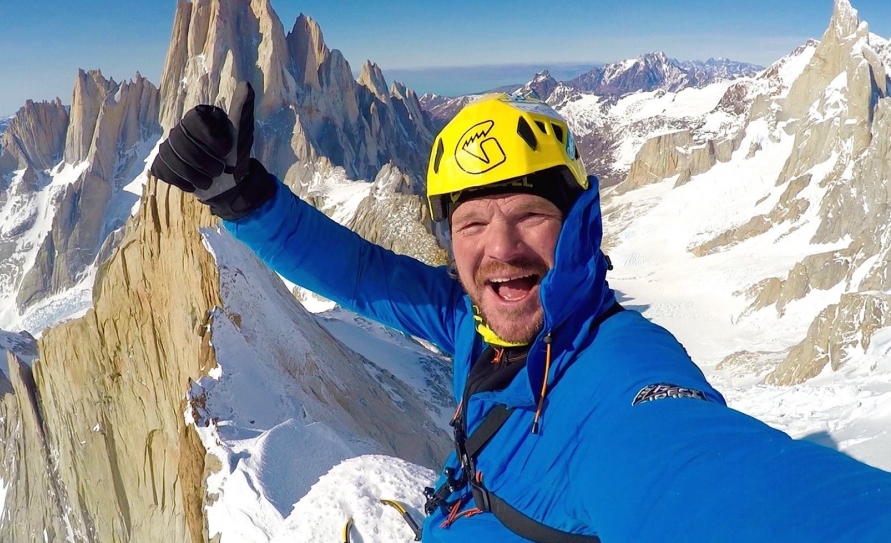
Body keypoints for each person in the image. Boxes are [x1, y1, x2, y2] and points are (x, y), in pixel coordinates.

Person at [152, 82, 891, 542]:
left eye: (529, 215)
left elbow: (710, 482)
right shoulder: (477, 323)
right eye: (472, 224)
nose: (499, 249)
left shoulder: (619, 372)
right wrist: (241, 196)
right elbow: (364, 274)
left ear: (577, 227)